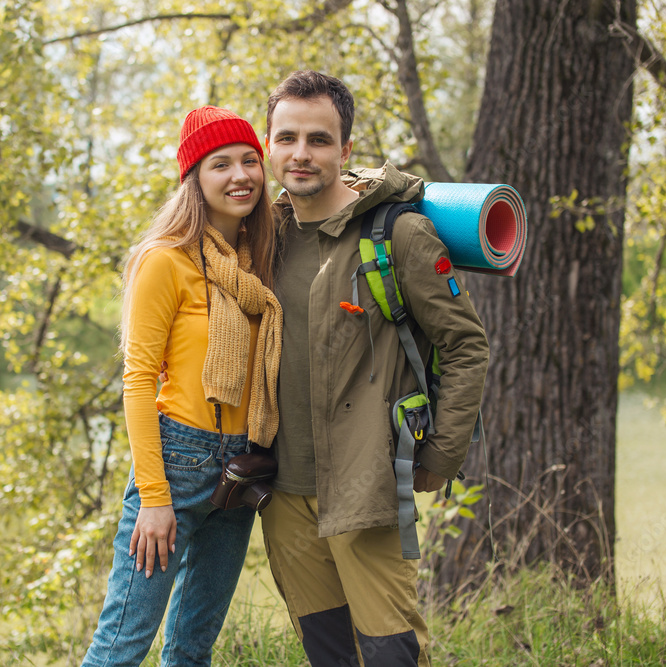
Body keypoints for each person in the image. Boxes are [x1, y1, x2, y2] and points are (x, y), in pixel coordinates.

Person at [260, 70, 490, 666]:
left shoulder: (401, 236)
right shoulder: (263, 236)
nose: (300, 154)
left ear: (346, 149)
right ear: (268, 145)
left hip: (367, 487)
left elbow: (466, 345)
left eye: (318, 139)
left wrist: (440, 455)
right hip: (284, 493)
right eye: (286, 138)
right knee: (327, 653)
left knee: (391, 653)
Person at [80, 106, 282, 667]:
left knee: (192, 649)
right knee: (121, 647)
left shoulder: (258, 260)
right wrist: (154, 498)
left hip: (244, 467)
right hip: (177, 460)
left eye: (250, 161)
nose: (241, 175)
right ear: (194, 179)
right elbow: (138, 381)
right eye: (221, 164)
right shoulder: (163, 261)